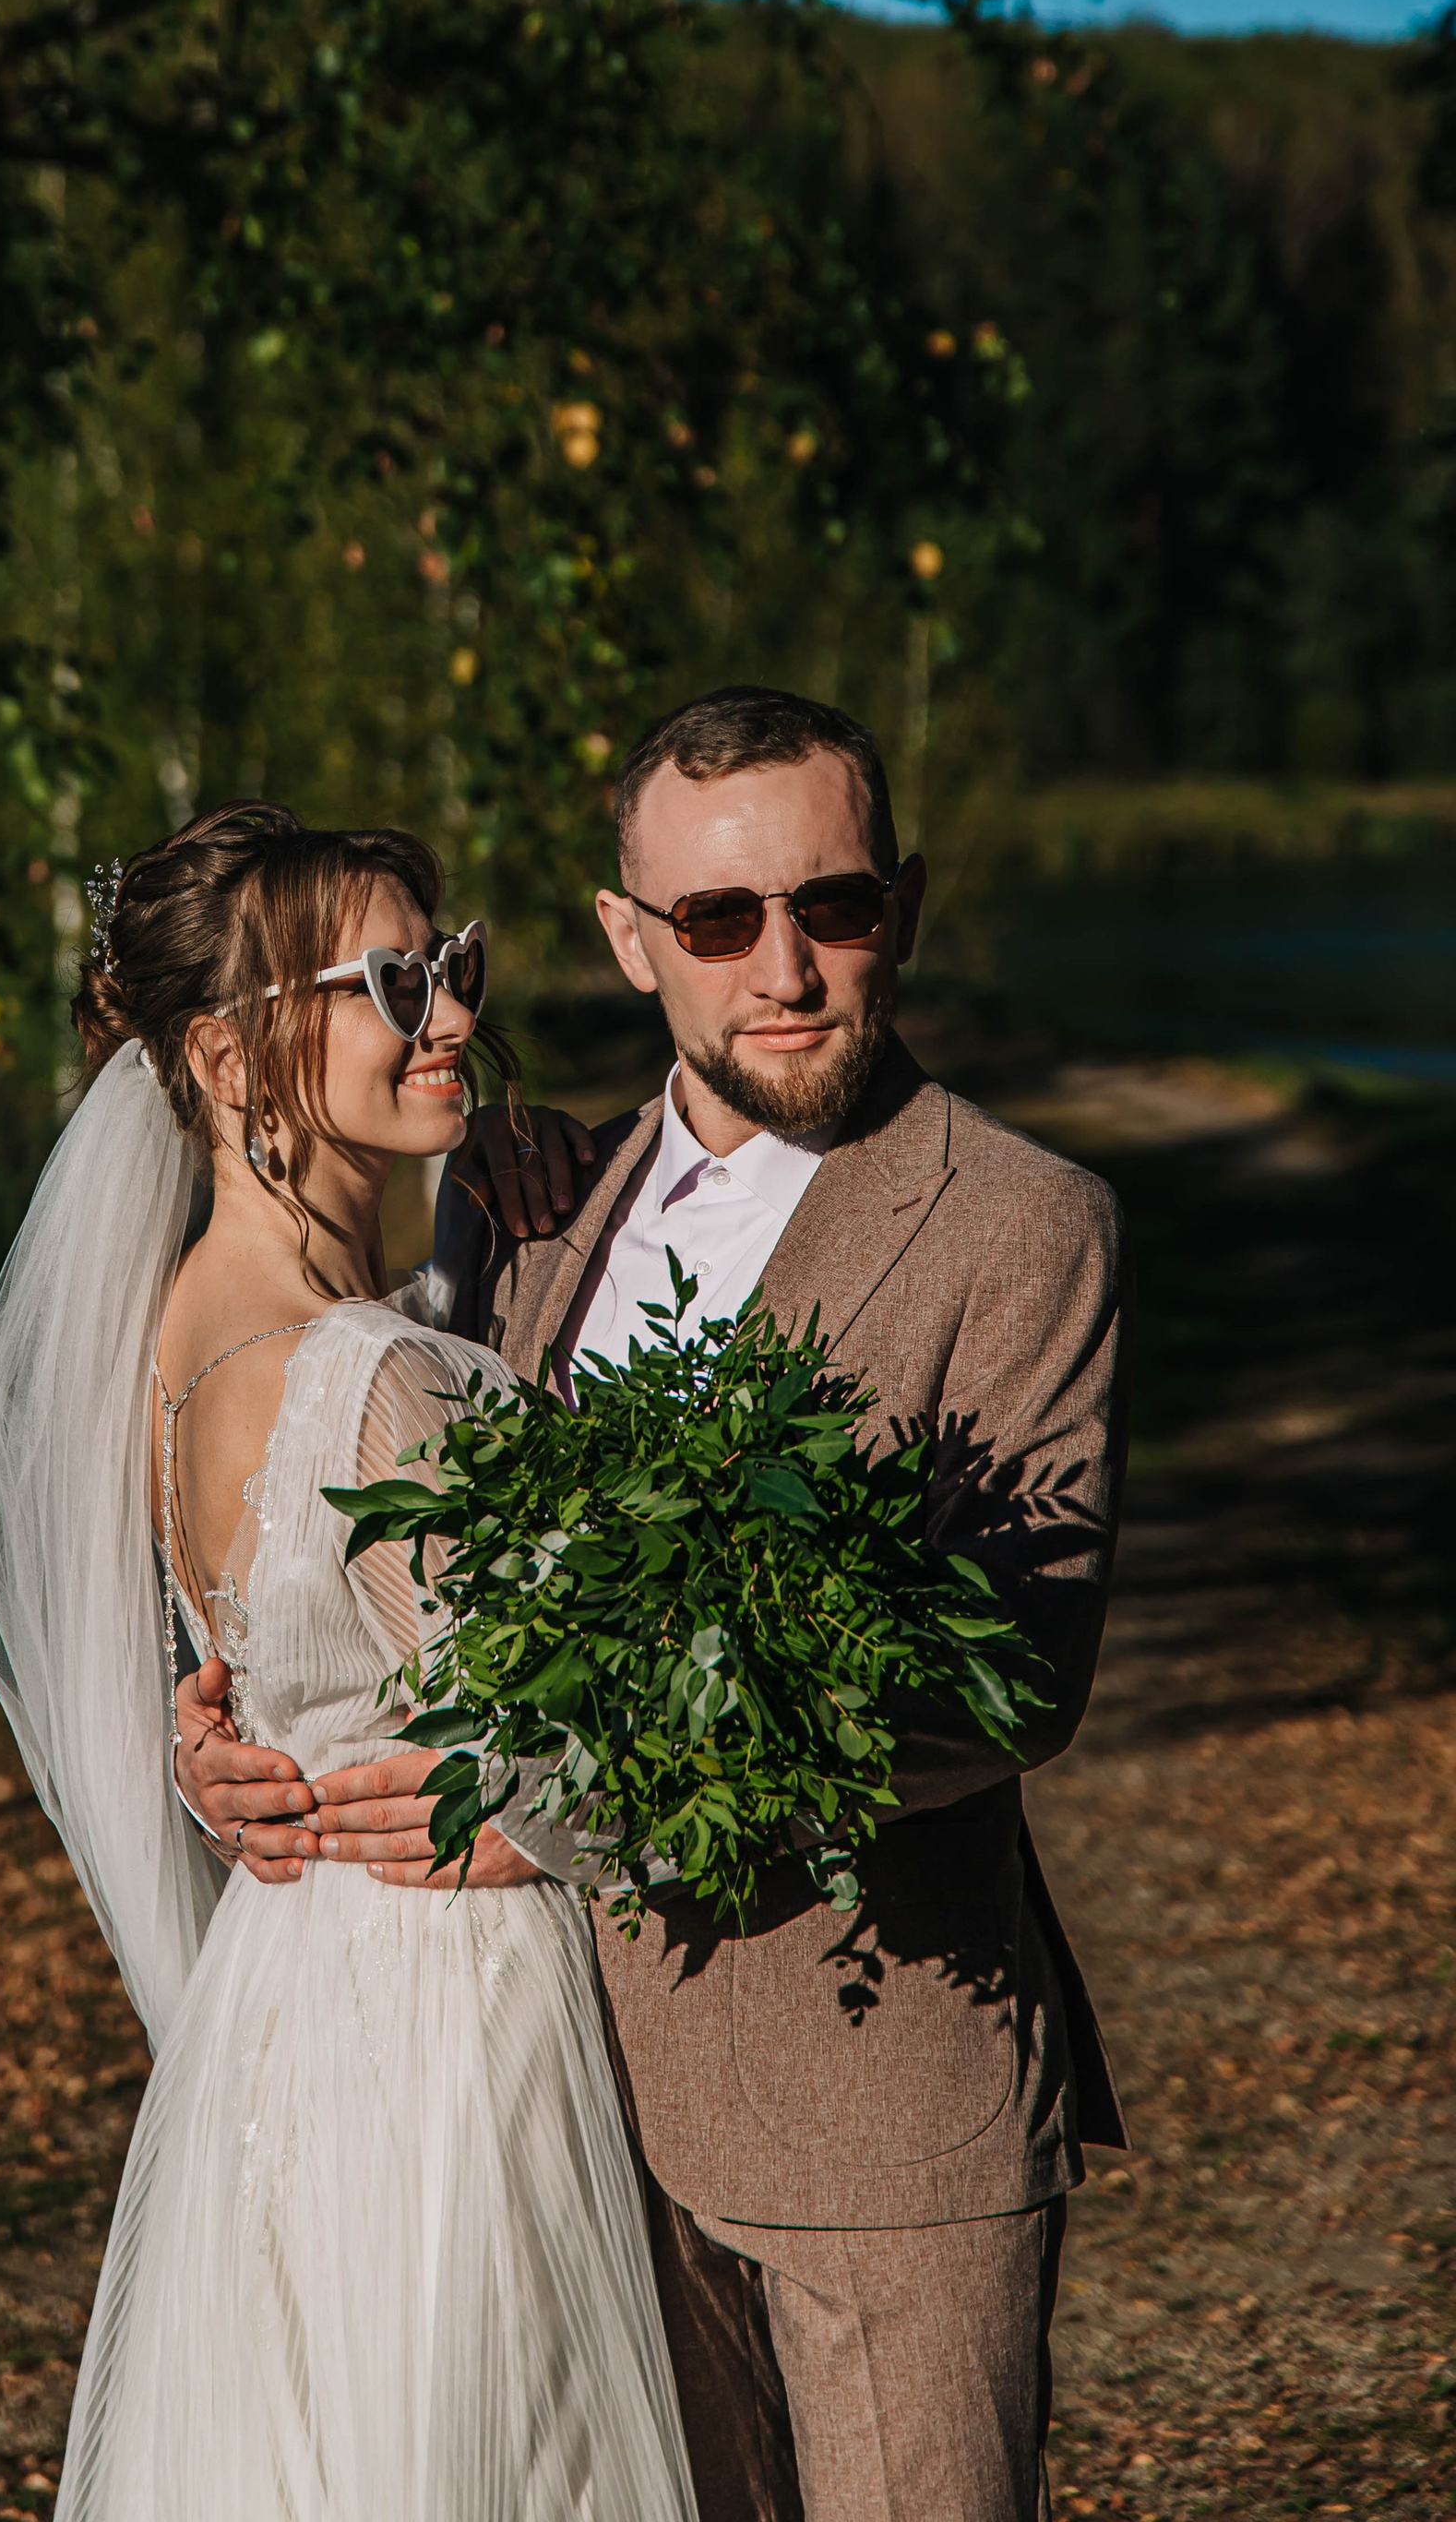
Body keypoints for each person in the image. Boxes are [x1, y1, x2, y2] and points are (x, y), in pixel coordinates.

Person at [178, 687, 1133, 2522]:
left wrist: (557, 1811)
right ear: (630, 940)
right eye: (716, 919)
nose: (784, 968)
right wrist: (237, 1735)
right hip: (559, 2129)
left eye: (832, 905)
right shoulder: (518, 1207)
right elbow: (360, 1542)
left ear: (902, 906)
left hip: (873, 2114)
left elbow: (1010, 1684)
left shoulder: (1023, 1223)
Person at [0, 801, 698, 2522]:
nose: (452, 1016)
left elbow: (275, 1650)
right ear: (230, 1059)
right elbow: (580, 1753)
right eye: (389, 985)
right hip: (448, 2020)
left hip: (285, 2009)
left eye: (453, 966)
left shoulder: (175, 1336)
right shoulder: (374, 1382)